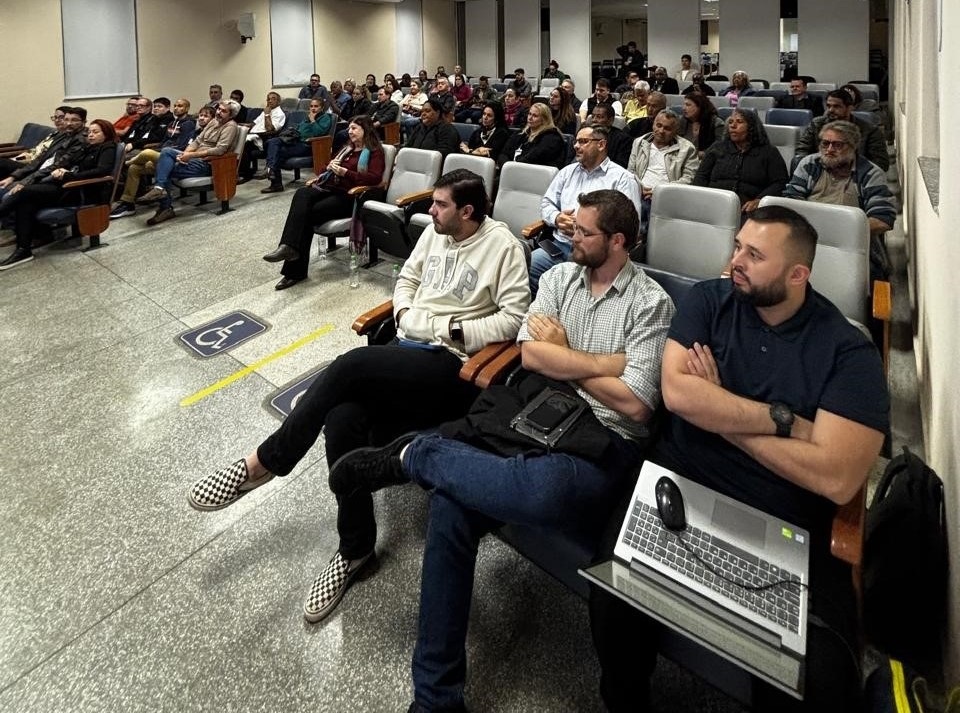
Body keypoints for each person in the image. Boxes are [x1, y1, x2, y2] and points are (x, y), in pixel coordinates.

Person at [327, 188, 674, 713]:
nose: (568, 236)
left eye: (582, 232)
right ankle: (436, 699)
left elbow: (637, 405)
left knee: (537, 490)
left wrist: (567, 354)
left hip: (601, 442)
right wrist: (604, 363)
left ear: (618, 240)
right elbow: (532, 357)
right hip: (529, 417)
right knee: (450, 506)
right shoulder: (558, 278)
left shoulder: (651, 302)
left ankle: (417, 456)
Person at [188, 168, 531, 620]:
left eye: (440, 205)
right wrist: (406, 310)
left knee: (350, 364)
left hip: (450, 365)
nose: (429, 210)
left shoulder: (503, 247)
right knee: (342, 419)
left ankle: (268, 460)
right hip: (406, 350)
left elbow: (514, 319)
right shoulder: (435, 234)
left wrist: (448, 326)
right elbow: (406, 278)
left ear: (467, 211)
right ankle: (355, 550)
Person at [590, 204, 889, 713]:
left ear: (798, 274)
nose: (735, 262)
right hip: (679, 488)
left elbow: (837, 478)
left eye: (754, 254)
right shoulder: (710, 300)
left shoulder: (847, 353)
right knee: (613, 598)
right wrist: (786, 421)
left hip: (786, 518)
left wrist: (723, 415)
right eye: (737, 247)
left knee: (811, 675)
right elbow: (680, 395)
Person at [259, 115, 385, 289]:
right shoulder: (346, 148)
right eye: (349, 128)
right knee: (302, 193)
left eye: (354, 128)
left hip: (350, 197)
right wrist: (328, 168)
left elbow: (374, 178)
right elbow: (323, 169)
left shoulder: (375, 151)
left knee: (307, 215)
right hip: (332, 188)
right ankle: (288, 246)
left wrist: (344, 172)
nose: (350, 131)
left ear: (366, 130)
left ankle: (293, 270)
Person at [529, 125, 642, 294]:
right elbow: (546, 203)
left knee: (575, 289)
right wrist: (557, 218)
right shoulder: (567, 172)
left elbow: (631, 226)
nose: (575, 146)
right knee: (524, 267)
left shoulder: (623, 179)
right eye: (576, 141)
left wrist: (590, 230)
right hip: (559, 248)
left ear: (601, 145)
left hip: (596, 255)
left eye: (583, 141)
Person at [0, 118, 117, 271]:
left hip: (81, 190)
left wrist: (70, 176)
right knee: (25, 201)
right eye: (89, 132)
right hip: (66, 187)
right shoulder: (86, 147)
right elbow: (68, 162)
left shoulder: (108, 147)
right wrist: (61, 169)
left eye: (96, 132)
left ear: (106, 134)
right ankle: (23, 250)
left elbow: (102, 171)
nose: (90, 135)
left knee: (25, 191)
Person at [135, 100, 241, 226]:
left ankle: (165, 205)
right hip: (194, 159)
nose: (218, 112)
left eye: (224, 111)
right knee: (166, 153)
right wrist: (184, 154)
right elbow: (197, 141)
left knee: (163, 166)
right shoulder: (213, 121)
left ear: (231, 115)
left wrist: (191, 155)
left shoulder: (230, 126)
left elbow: (220, 150)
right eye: (219, 109)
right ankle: (161, 194)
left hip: (209, 164)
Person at [785, 120, 897, 237]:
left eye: (837, 145)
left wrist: (839, 233)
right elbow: (791, 200)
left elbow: (883, 220)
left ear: (853, 146)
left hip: (850, 238)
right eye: (825, 143)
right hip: (807, 234)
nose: (829, 150)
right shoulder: (810, 164)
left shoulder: (870, 173)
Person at [110, 99, 199, 219]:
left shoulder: (188, 124)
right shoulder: (172, 123)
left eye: (180, 106)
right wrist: (160, 150)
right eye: (176, 106)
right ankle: (128, 203)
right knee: (134, 168)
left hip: (174, 157)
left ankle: (127, 162)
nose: (177, 108)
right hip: (163, 155)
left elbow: (183, 146)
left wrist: (162, 151)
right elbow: (163, 142)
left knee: (146, 153)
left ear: (187, 109)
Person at [694, 108, 788, 215]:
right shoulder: (717, 148)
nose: (733, 126)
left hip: (748, 210)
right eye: (730, 122)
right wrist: (701, 200)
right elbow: (701, 177)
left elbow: (780, 183)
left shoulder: (769, 152)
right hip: (713, 205)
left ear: (751, 127)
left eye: (739, 122)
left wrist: (760, 200)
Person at [627, 109, 700, 233]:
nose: (661, 131)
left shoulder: (687, 149)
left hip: (668, 195)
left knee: (647, 209)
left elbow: (689, 179)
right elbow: (630, 172)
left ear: (675, 131)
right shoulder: (639, 142)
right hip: (640, 191)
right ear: (653, 124)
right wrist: (639, 187)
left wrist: (660, 190)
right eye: (658, 125)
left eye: (667, 128)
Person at [796, 89, 888, 172]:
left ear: (850, 108)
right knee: (796, 161)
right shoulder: (817, 124)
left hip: (854, 174)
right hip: (821, 170)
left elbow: (880, 163)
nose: (830, 110)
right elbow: (802, 149)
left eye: (836, 106)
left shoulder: (870, 130)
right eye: (828, 106)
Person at [260, 98, 334, 193]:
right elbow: (299, 129)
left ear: (322, 108)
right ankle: (271, 171)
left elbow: (319, 133)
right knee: (273, 142)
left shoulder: (325, 117)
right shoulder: (307, 118)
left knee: (275, 152)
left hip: (309, 145)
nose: (313, 108)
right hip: (296, 141)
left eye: (316, 106)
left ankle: (274, 179)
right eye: (311, 106)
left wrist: (313, 120)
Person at [498, 102, 566, 169]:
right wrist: (506, 167)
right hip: (511, 172)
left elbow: (533, 157)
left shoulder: (552, 137)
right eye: (529, 114)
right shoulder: (520, 133)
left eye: (535, 116)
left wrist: (514, 167)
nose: (530, 118)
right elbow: (503, 154)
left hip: (534, 175)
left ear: (544, 119)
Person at [238, 92, 286, 182]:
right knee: (237, 142)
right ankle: (239, 172)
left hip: (265, 139)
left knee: (244, 145)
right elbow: (254, 124)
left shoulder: (279, 114)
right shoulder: (266, 110)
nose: (270, 101)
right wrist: (238, 125)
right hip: (254, 135)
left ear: (278, 102)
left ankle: (244, 175)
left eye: (273, 99)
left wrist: (267, 115)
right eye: (268, 99)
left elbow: (270, 129)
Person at [679, 92, 725, 157]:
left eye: (688, 105)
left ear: (700, 107)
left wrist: (701, 154)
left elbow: (720, 147)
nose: (683, 108)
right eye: (684, 104)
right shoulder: (682, 121)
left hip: (708, 160)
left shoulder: (716, 123)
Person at [590, 104, 634, 168]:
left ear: (610, 120)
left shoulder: (623, 139)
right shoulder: (587, 134)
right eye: (593, 116)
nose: (594, 120)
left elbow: (620, 165)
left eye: (599, 117)